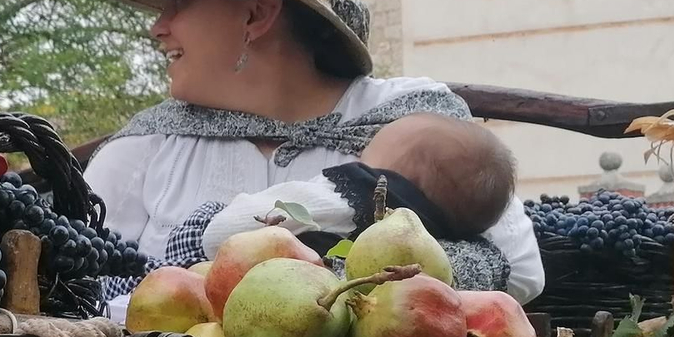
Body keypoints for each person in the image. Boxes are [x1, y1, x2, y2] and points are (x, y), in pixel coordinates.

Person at [86, 0, 542, 302]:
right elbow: (80, 280)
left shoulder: (411, 119)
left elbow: (518, 270)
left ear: (257, 14)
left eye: (179, 1)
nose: (157, 27)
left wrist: (325, 282)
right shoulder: (147, 147)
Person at [202, 113, 517, 261]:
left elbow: (221, 234)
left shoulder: (350, 197)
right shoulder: (434, 245)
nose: (356, 156)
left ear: (396, 181)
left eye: (368, 151)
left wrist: (219, 215)